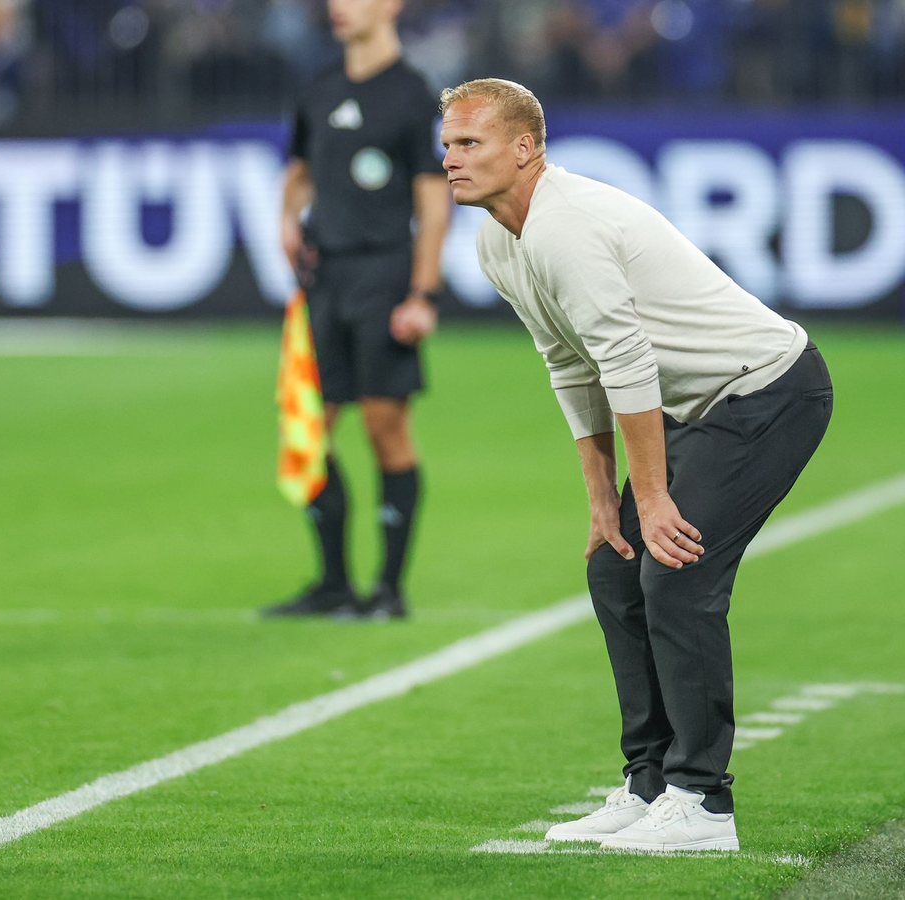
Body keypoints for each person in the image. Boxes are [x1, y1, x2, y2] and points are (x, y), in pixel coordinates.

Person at [439, 77, 831, 850]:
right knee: (615, 568)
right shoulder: (497, 240)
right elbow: (570, 363)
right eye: (447, 144)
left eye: (468, 143)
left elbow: (626, 361)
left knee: (675, 572)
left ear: (524, 148)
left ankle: (702, 803)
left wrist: (650, 499)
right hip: (696, 406)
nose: (450, 158)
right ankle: (649, 782)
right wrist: (603, 502)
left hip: (766, 392)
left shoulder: (565, 227)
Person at [262, 0, 450, 620]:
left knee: (384, 428)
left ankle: (389, 589)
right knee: (306, 430)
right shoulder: (318, 88)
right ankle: (334, 584)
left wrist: (423, 294)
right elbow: (301, 169)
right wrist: (287, 218)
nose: (338, 7)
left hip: (383, 276)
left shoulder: (412, 94)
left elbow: (432, 202)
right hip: (325, 280)